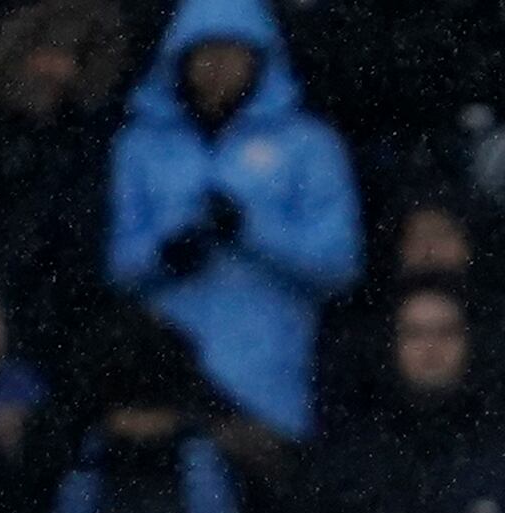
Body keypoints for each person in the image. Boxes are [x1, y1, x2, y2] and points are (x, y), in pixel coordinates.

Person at [106, 0, 358, 439]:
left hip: (267, 385)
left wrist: (250, 232)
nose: (216, 67)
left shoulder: (309, 145)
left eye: (231, 53)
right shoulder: (140, 146)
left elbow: (338, 261)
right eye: (204, 54)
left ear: (260, 59)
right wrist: (164, 255)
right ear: (179, 60)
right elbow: (114, 260)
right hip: (167, 383)